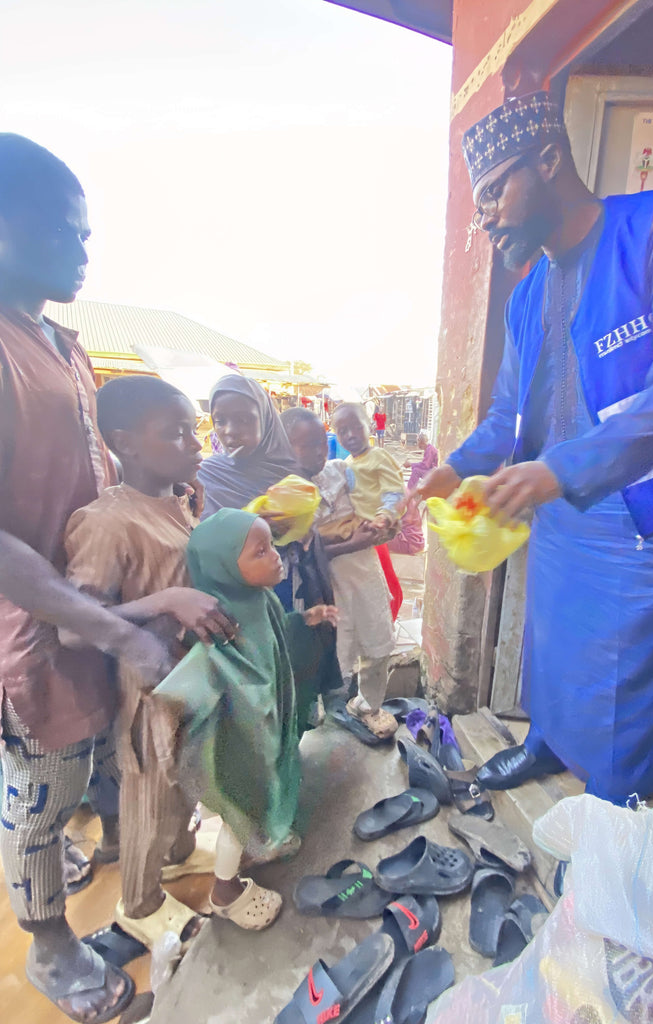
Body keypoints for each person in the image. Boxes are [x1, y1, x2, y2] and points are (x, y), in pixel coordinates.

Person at [419, 90, 653, 804]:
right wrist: (456, 467)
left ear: (548, 159)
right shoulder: (527, 295)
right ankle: (545, 744)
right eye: (478, 201)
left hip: (647, 513)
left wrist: (558, 469)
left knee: (629, 685)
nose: (485, 214)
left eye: (494, 190)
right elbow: (507, 414)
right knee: (555, 654)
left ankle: (611, 819)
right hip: (561, 510)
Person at [0, 134, 189, 1023]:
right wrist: (116, 629)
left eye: (85, 233)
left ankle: (99, 895)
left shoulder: (63, 346)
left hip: (98, 603)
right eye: (61, 231)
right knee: (42, 800)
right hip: (36, 631)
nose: (81, 250)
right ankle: (50, 950)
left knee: (90, 771)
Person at [64, 375, 239, 952]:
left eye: (194, 429)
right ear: (125, 443)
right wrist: (166, 600)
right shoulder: (107, 520)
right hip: (149, 691)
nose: (196, 443)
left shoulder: (182, 501)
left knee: (182, 782)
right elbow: (73, 626)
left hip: (193, 676)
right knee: (150, 795)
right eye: (176, 432)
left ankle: (178, 855)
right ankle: (138, 904)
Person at [162, 510, 337, 928]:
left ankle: (266, 842)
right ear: (224, 568)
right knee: (243, 813)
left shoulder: (262, 600)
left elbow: (276, 640)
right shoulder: (219, 622)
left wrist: (304, 620)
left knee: (271, 792)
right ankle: (225, 892)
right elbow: (206, 678)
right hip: (241, 734)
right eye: (260, 552)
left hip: (267, 723)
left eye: (271, 545)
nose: (275, 556)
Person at [199, 376, 342, 727]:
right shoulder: (208, 473)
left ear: (265, 419)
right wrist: (248, 528)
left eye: (244, 420)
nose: (231, 431)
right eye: (221, 420)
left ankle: (293, 734)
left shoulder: (288, 471)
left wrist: (288, 528)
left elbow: (307, 535)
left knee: (290, 672)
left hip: (288, 588)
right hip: (235, 599)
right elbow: (202, 537)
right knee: (249, 689)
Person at [295, 403, 405, 738]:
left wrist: (386, 522)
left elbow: (379, 503)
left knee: (377, 640)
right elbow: (300, 552)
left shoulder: (340, 470)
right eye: (306, 445)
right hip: (326, 584)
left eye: (321, 442)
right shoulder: (288, 493)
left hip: (365, 572)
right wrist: (350, 543)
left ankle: (368, 706)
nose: (318, 451)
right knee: (333, 651)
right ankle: (325, 709)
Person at [389, 430, 438, 556]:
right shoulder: (396, 489)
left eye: (418, 442)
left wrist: (411, 464)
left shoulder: (430, 449)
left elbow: (425, 465)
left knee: (374, 539)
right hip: (416, 540)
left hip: (411, 543)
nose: (418, 444)